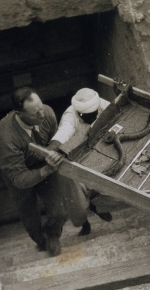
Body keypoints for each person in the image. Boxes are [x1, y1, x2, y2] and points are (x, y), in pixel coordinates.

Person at [0, 87, 67, 256]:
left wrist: (51, 152)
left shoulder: (46, 113)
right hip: (17, 172)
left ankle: (52, 234)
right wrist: (48, 169)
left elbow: (55, 137)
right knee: (29, 213)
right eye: (35, 113)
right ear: (19, 114)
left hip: (43, 163)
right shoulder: (6, 139)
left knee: (60, 211)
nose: (42, 115)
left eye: (41, 107)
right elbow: (20, 178)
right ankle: (40, 240)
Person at [47, 88, 113, 232]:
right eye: (86, 117)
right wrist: (51, 151)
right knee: (74, 196)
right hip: (75, 153)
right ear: (79, 113)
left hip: (98, 148)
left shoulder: (103, 105)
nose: (90, 119)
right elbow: (64, 132)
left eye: (93, 115)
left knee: (103, 182)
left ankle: (98, 206)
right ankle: (83, 222)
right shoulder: (70, 116)